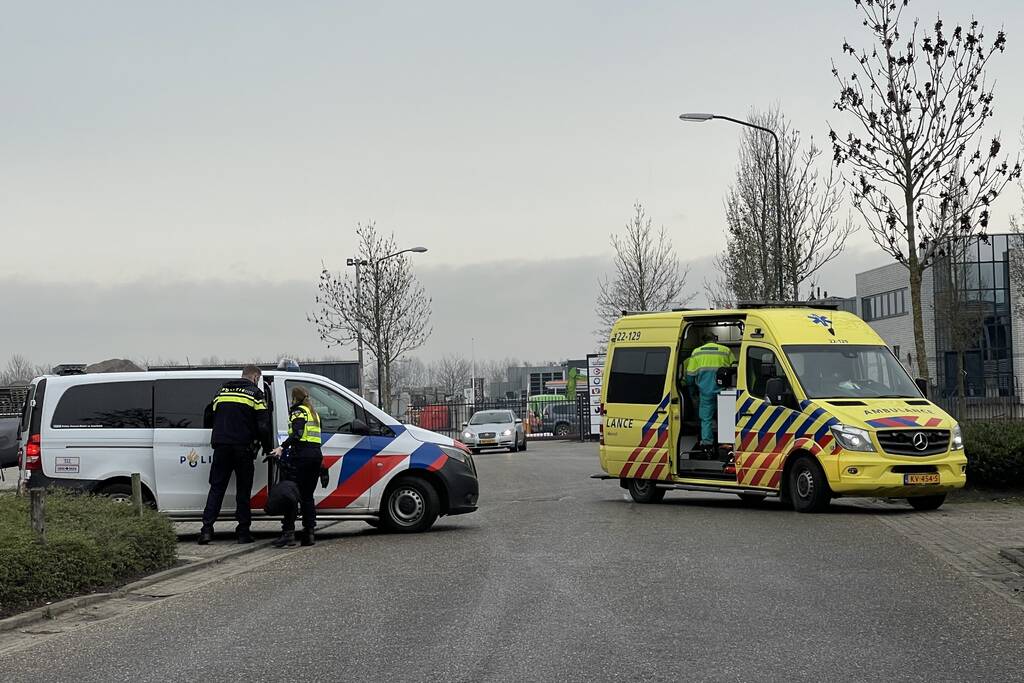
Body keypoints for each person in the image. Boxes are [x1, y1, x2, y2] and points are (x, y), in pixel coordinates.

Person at [198, 365, 273, 545]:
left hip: (221, 447)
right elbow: (263, 425)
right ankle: (243, 532)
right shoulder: (255, 394)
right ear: (255, 377)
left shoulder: (221, 391)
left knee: (216, 488)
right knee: (243, 490)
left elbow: (208, 417)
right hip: (243, 448)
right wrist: (267, 446)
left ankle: (206, 530)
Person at [269, 385, 326, 548]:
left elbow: (298, 433)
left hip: (301, 456)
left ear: (294, 398)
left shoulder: (298, 411)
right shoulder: (313, 413)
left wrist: (282, 447)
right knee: (307, 496)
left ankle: (288, 533)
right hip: (315, 456)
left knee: (291, 495)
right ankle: (309, 534)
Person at [685, 333, 737, 453]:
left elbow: (690, 376)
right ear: (715, 339)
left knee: (706, 419)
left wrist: (692, 390)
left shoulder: (696, 352)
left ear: (703, 341)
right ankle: (726, 443)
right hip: (724, 391)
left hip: (705, 392)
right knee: (725, 417)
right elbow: (735, 368)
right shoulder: (725, 351)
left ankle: (707, 444)